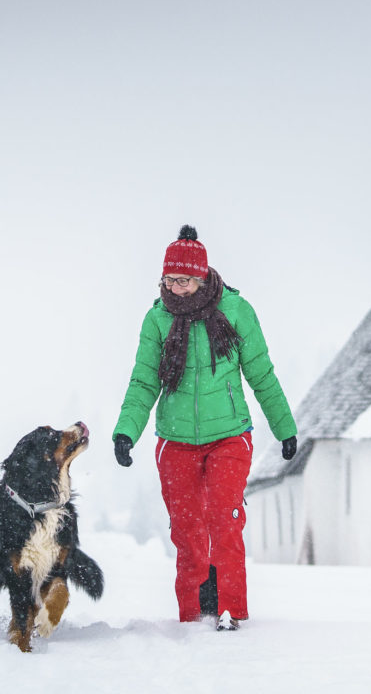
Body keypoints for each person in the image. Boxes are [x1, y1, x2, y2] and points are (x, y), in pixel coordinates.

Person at [112, 225, 297, 631]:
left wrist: (284, 428)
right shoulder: (157, 319)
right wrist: (127, 431)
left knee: (224, 519)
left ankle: (230, 609)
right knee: (187, 528)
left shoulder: (235, 311)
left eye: (183, 280)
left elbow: (261, 373)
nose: (175, 288)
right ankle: (192, 616)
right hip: (175, 440)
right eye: (169, 280)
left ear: (201, 277)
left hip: (230, 434)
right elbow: (144, 381)